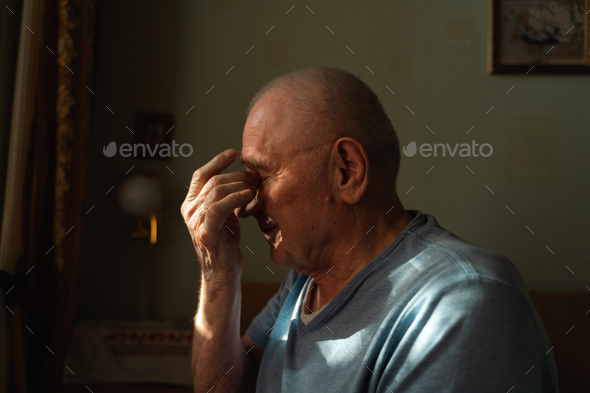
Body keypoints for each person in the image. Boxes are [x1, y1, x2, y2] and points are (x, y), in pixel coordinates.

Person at [181, 67, 559, 392]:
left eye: (262, 175)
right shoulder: (302, 282)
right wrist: (218, 273)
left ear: (347, 170)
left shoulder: (463, 302)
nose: (248, 202)